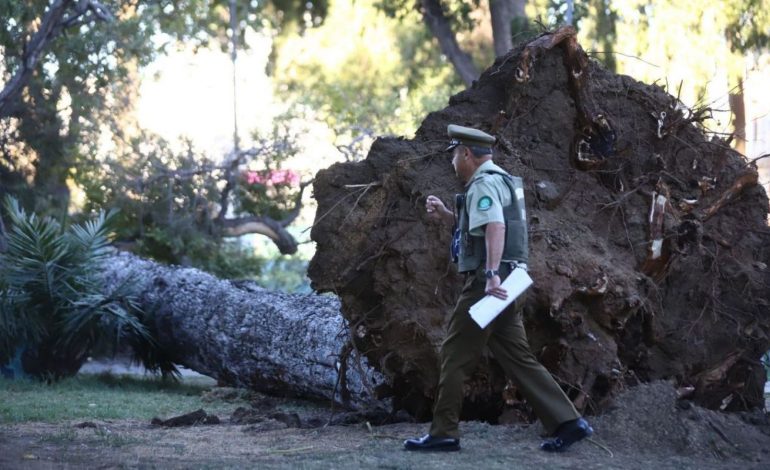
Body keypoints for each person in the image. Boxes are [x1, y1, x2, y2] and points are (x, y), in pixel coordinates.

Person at [404, 124, 593, 452]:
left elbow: (495, 226)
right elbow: (482, 226)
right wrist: (449, 215)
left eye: (453, 155)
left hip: (488, 285)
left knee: (453, 353)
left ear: (466, 154)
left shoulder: (483, 182)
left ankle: (443, 433)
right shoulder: (503, 179)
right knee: (518, 357)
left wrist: (490, 275)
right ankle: (569, 422)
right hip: (512, 281)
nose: (452, 162)